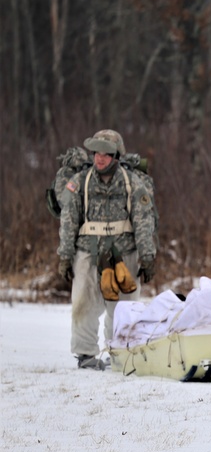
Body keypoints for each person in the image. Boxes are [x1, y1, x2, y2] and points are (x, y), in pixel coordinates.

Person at [57, 130, 157, 370]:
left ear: (116, 156)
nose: (100, 159)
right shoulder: (81, 181)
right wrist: (65, 256)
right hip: (87, 252)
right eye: (96, 153)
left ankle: (121, 352)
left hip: (125, 253)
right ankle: (85, 355)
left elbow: (144, 220)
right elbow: (69, 220)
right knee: (84, 304)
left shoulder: (133, 182)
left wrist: (147, 256)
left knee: (124, 306)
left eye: (106, 154)